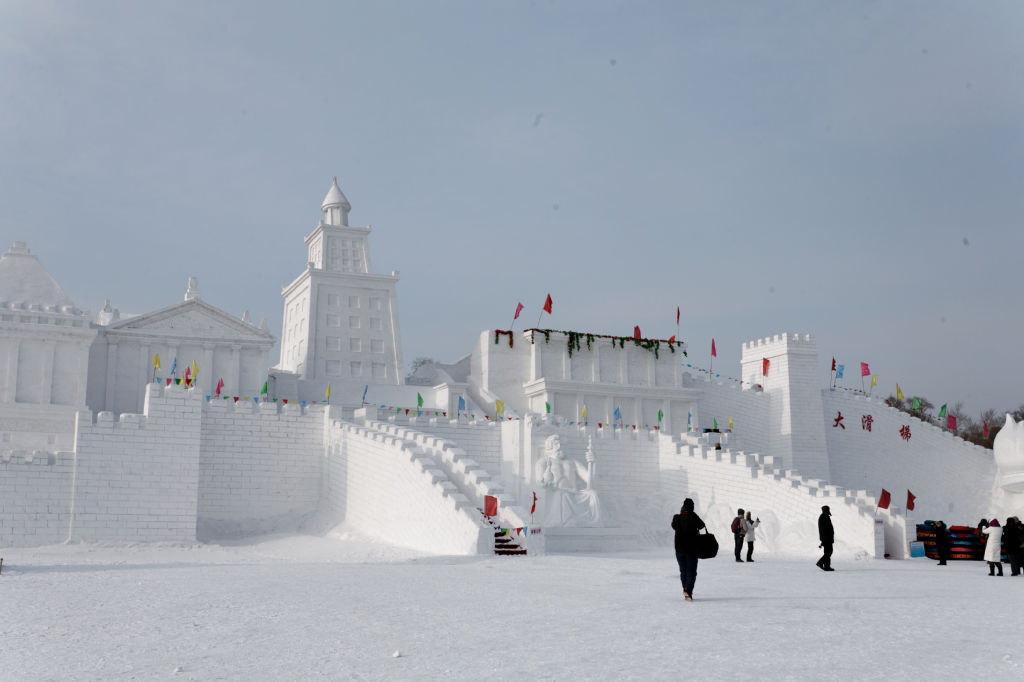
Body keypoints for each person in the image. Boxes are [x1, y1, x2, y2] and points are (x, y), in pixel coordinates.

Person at [535, 434, 605, 527]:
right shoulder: (543, 462)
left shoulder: (572, 462)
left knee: (593, 494)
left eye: (561, 444)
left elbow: (589, 480)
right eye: (556, 444)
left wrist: (593, 463)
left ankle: (593, 522)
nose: (560, 446)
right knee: (563, 495)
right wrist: (546, 481)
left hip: (575, 494)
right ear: (550, 447)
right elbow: (540, 482)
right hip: (558, 493)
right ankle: (568, 521)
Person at [671, 498, 706, 601]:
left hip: (679, 550)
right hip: (691, 549)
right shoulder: (693, 516)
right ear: (692, 507)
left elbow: (673, 526)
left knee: (683, 571)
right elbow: (702, 525)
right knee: (691, 571)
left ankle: (686, 590)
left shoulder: (677, 518)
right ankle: (688, 590)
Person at [816, 505, 834, 571]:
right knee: (829, 552)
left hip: (827, 538)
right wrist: (824, 539)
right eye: (828, 509)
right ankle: (820, 562)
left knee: (827, 552)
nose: (828, 511)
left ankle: (827, 566)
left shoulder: (824, 516)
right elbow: (824, 530)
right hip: (827, 538)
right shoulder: (824, 517)